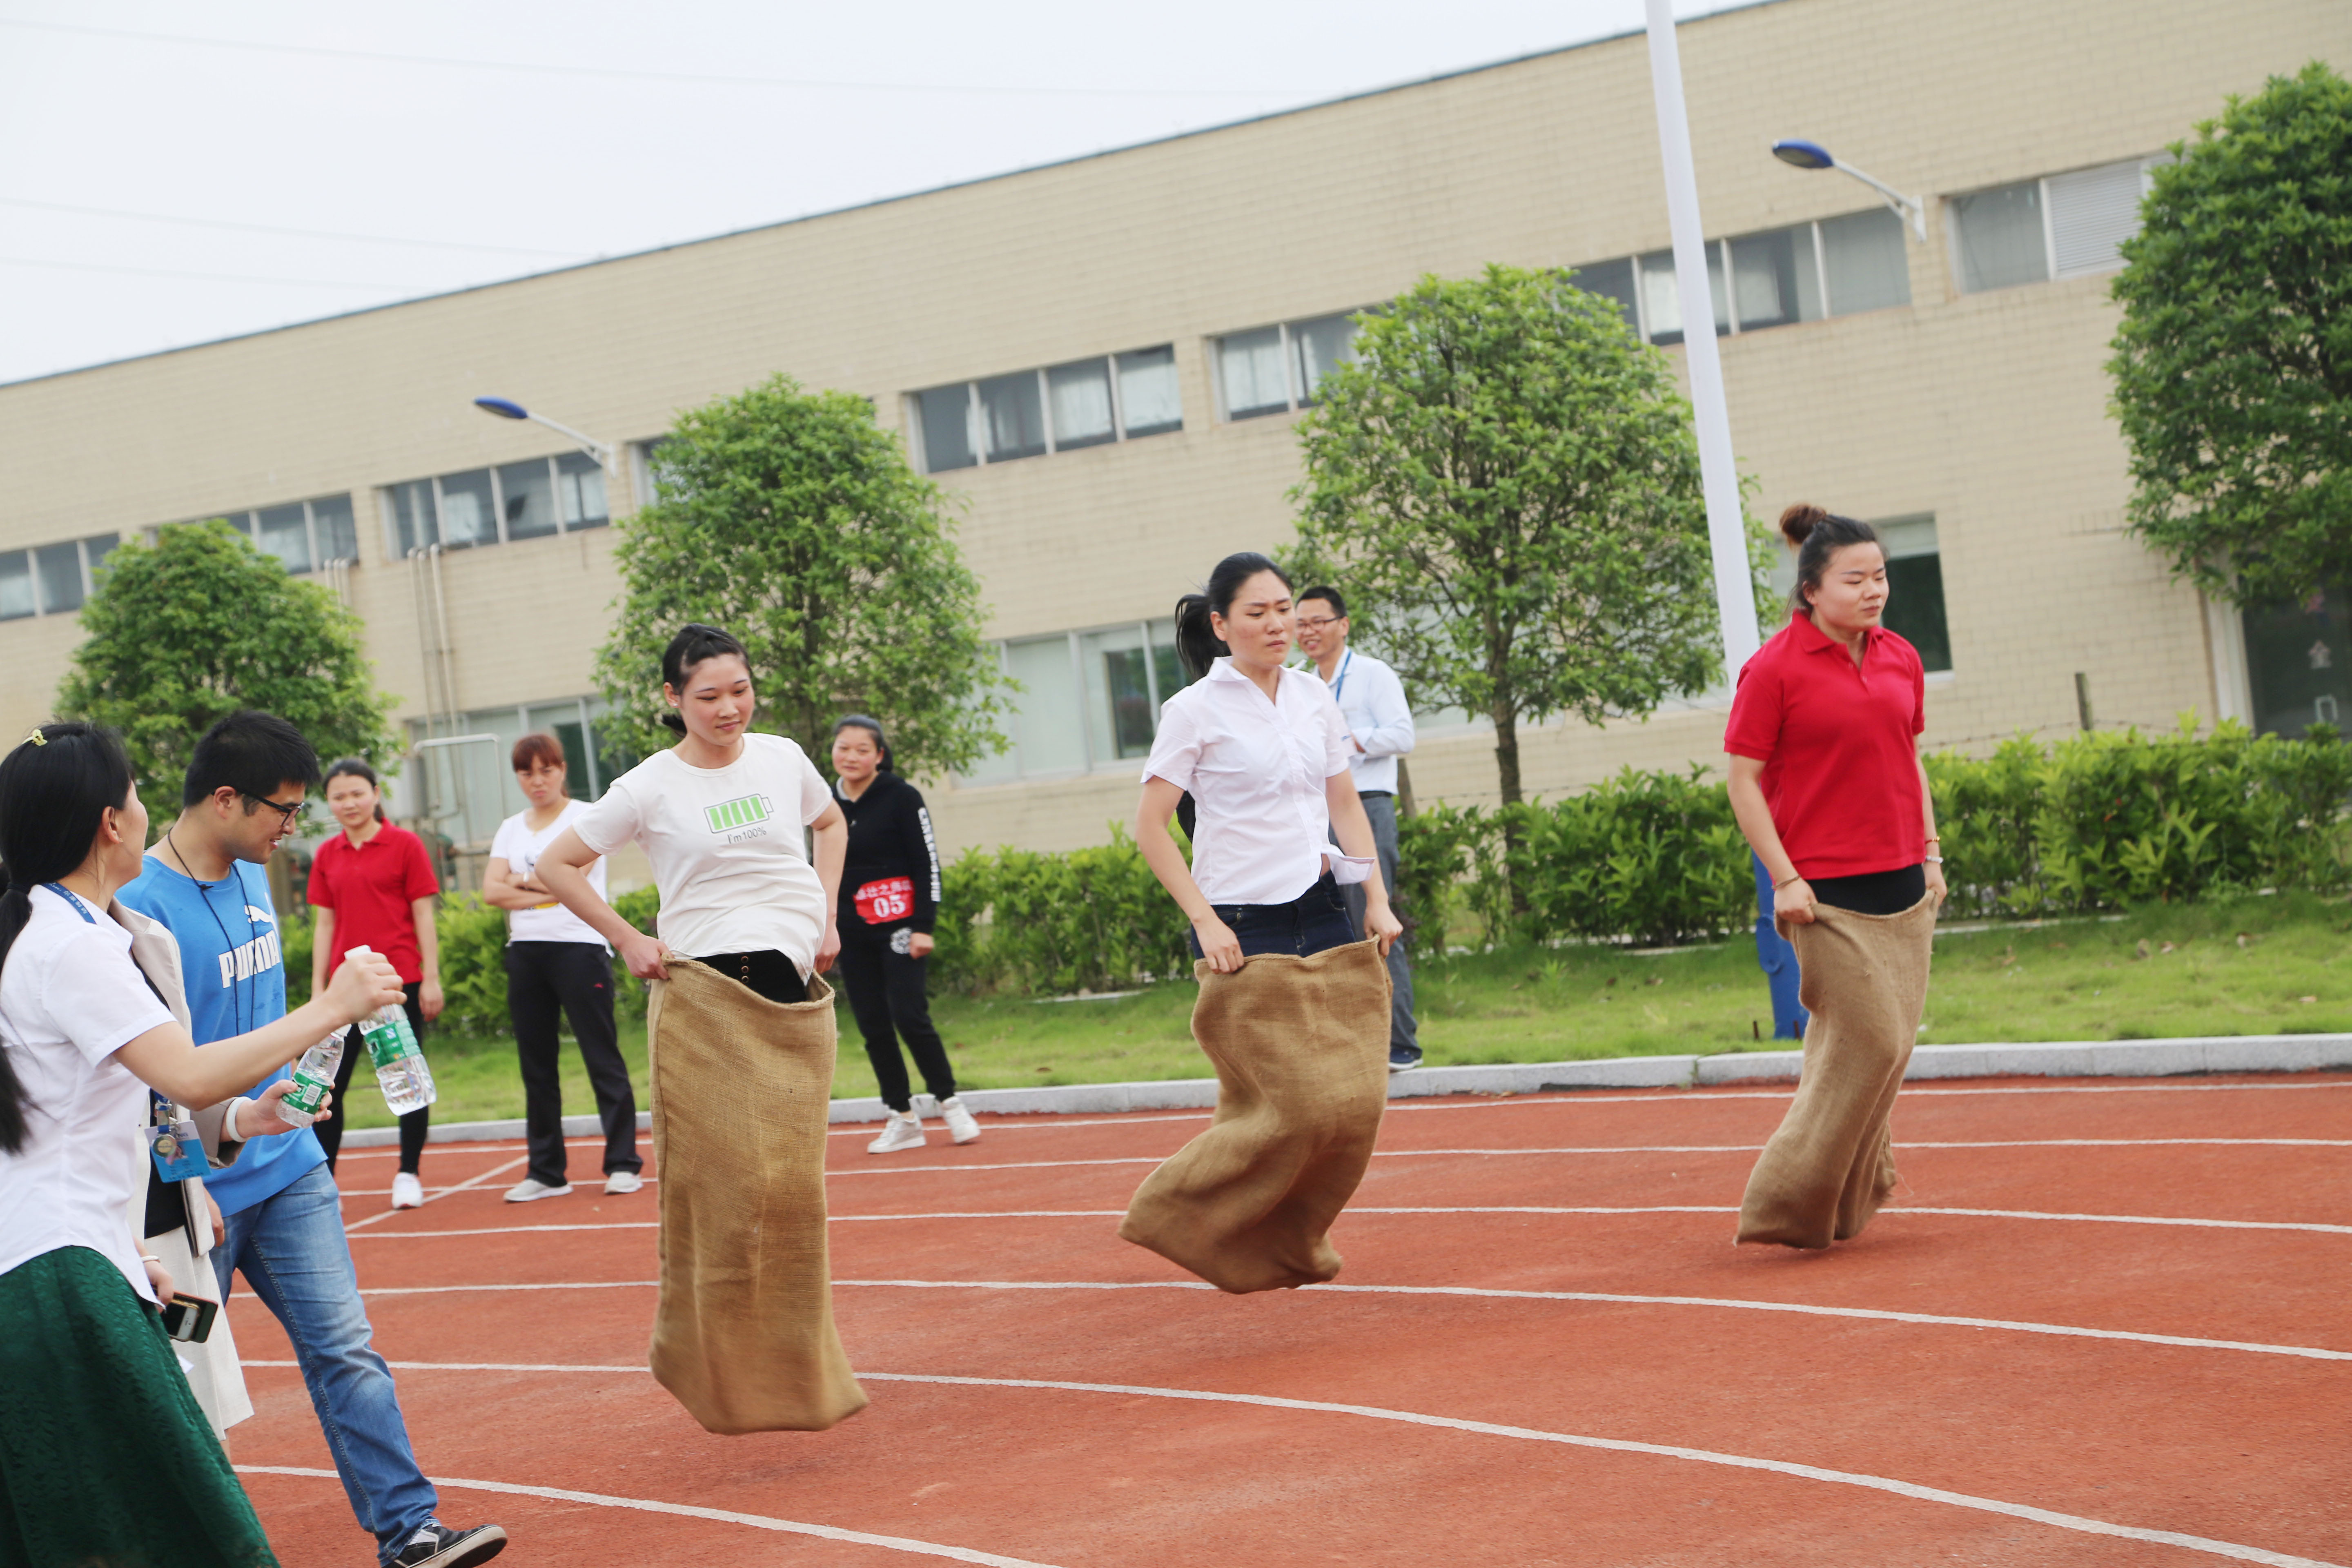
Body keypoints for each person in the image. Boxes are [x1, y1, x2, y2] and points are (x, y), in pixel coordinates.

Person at [0, 720, 413, 1568]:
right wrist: (333, 1007)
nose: (148, 807)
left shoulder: (49, 931)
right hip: (57, 1274)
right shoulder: (75, 944)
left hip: (72, 1258)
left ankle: (410, 1524)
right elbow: (184, 1074)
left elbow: (65, 1125)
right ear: (110, 824)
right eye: (136, 793)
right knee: (182, 1517)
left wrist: (127, 1240)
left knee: (80, 1524)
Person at [118, 711, 510, 1568]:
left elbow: (268, 1014)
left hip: (289, 1168)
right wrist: (190, 1182)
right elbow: (152, 1078)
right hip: (190, 1205)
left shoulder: (258, 875)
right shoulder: (138, 910)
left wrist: (303, 1074)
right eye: (284, 811)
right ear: (226, 800)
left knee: (347, 1349)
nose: (296, 828)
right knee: (183, 1380)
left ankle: (409, 1530)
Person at [537, 624, 867, 1437]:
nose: (730, 708)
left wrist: (827, 911)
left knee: (792, 1193)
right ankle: (703, 1362)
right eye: (709, 696)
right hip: (708, 996)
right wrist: (628, 939)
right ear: (673, 699)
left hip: (791, 995)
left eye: (740, 690)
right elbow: (553, 864)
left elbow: (831, 826)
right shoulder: (648, 787)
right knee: (726, 1192)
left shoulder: (784, 758)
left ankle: (796, 1375)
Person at [1724, 503, 1947, 1250]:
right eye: (1856, 579)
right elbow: (1744, 781)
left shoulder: (1900, 657)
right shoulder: (1774, 668)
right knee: (1874, 1041)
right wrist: (1783, 878)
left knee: (1888, 1047)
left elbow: (1908, 759)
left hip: (1903, 883)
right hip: (1822, 891)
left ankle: (1841, 1202)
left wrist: (1932, 852)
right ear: (1811, 590)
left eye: (1881, 575)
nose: (1874, 589)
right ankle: (1788, 1197)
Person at [1134, 555, 1403, 970]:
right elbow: (1150, 827)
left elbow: (1345, 804)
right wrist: (1205, 921)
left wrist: (1378, 900)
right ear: (1220, 624)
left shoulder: (1314, 696)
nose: (1277, 624)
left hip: (1324, 907)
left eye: (1283, 608)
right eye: (1257, 613)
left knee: (1341, 1037)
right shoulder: (1191, 710)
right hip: (1241, 921)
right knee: (1262, 1040)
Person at [482, 732, 642, 1202]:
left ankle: (623, 1163)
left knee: (601, 1055)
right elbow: (493, 892)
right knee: (536, 1064)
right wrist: (546, 884)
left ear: (562, 770)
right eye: (527, 772)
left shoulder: (587, 817)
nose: (538, 781)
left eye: (546, 770)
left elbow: (579, 878)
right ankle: (547, 1172)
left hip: (580, 947)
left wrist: (522, 882)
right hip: (526, 950)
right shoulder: (511, 827)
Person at [829, 715, 978, 1154]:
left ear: (879, 755)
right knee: (873, 1025)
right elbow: (818, 867)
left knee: (910, 1015)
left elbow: (926, 861)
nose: (851, 757)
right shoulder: (823, 803)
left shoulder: (901, 796)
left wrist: (923, 927)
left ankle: (950, 1103)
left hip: (900, 928)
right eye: (844, 748)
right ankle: (902, 1116)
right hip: (851, 934)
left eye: (862, 750)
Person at [1294, 584, 1422, 1070]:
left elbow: (1403, 734)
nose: (1308, 632)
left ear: (1343, 625)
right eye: (1301, 624)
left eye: (1318, 621)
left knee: (1378, 924)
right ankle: (1351, 1043)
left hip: (1365, 807)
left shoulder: (1372, 674)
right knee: (1327, 931)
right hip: (1315, 815)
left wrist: (1347, 740)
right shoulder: (1301, 684)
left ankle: (1401, 1045)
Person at [307, 757, 441, 1204]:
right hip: (343, 989)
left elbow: (424, 916)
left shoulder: (406, 845)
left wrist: (433, 978)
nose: (349, 803)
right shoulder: (326, 854)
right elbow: (324, 926)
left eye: (357, 793)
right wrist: (317, 989)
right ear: (329, 802)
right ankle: (325, 1180)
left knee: (405, 1075)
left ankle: (409, 1173)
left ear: (377, 794)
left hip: (397, 982)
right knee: (331, 1084)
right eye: (339, 796)